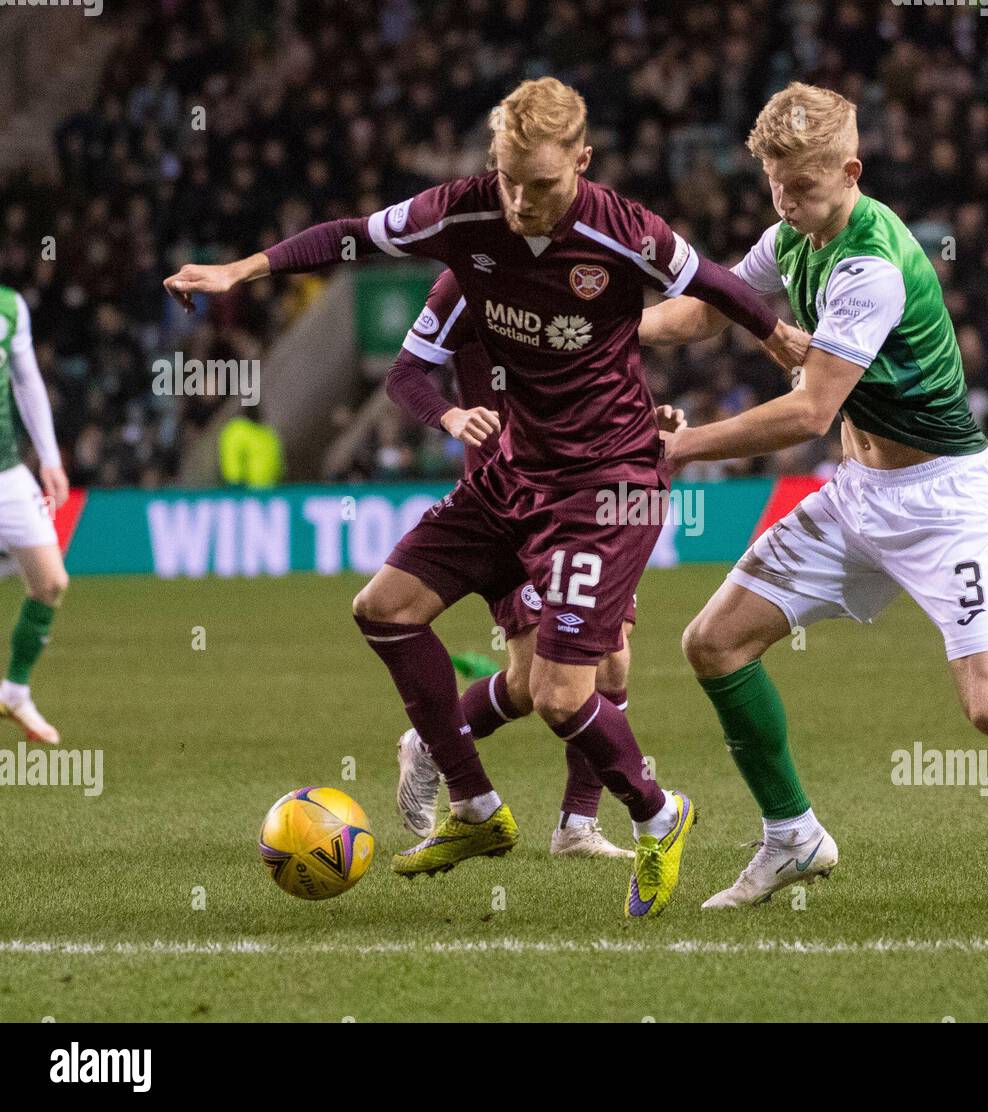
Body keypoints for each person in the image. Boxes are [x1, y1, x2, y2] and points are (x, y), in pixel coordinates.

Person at [165, 77, 804, 918]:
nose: (518, 200)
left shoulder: (622, 228)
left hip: (604, 486)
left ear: (581, 162)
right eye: (505, 176)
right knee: (384, 608)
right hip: (512, 474)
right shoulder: (462, 215)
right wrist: (244, 268)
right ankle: (473, 806)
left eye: (538, 184)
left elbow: (715, 283)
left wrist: (778, 337)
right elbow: (353, 236)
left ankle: (657, 816)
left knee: (566, 690)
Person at [644, 83, 988, 910]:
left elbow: (810, 409)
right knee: (713, 643)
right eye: (775, 184)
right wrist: (611, 329)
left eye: (802, 186)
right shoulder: (792, 239)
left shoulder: (871, 262)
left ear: (851, 169)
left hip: (945, 503)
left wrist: (680, 449)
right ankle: (792, 835)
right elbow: (709, 311)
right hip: (858, 494)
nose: (787, 203)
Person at [390, 268, 644, 860]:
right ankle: (433, 743)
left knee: (611, 662)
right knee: (536, 684)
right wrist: (451, 415)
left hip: (585, 490)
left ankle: (576, 827)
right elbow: (403, 376)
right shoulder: (465, 281)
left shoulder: (582, 273)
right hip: (509, 502)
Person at [0, 283, 71, 745]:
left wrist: (48, 456)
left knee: (50, 583)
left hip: (5, 470)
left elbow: (26, 379)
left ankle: (15, 692)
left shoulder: (9, 307)